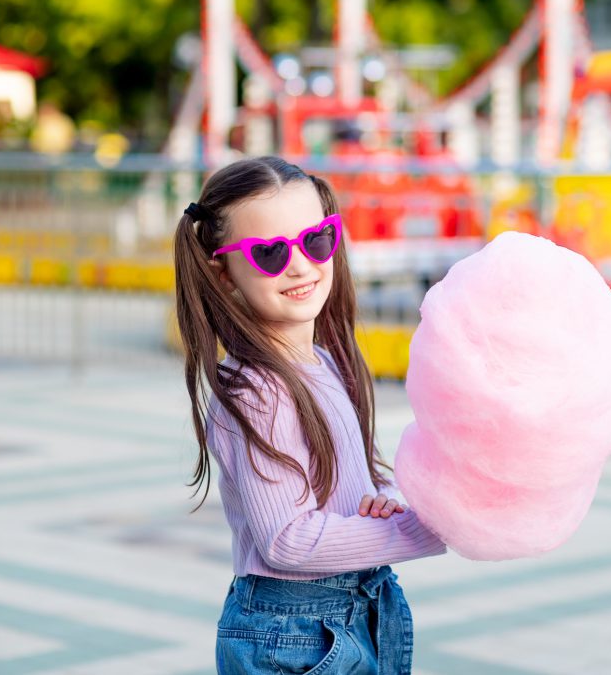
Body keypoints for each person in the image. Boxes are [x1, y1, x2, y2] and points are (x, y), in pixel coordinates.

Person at [173, 156, 447, 674]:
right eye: (270, 252)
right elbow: (286, 542)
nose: (301, 264)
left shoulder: (324, 361)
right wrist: (427, 528)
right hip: (292, 634)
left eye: (316, 239)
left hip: (354, 610)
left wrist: (384, 501)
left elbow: (358, 477)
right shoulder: (256, 390)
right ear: (223, 272)